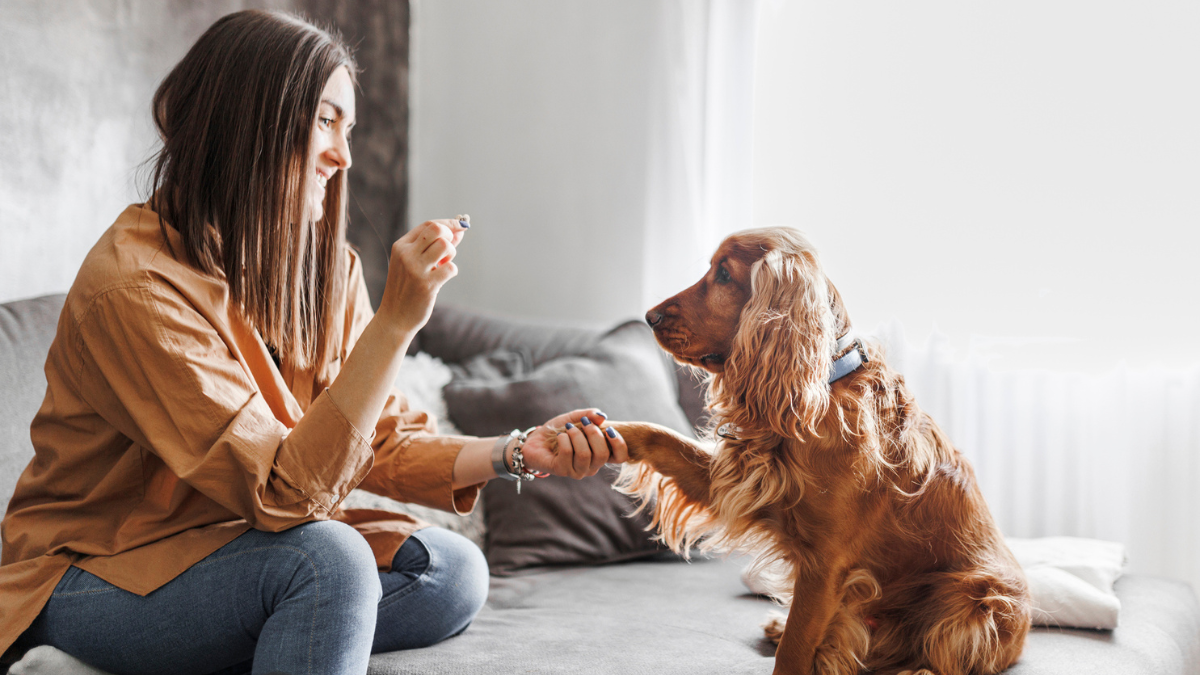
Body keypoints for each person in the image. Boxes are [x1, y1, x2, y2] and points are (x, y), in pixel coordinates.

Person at [0, 10, 627, 675]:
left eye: (348, 128)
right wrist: (395, 323)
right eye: (326, 121)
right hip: (93, 574)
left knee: (451, 570)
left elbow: (375, 438)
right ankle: (75, 652)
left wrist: (518, 451)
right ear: (249, 121)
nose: (344, 155)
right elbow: (284, 492)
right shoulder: (132, 286)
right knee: (329, 561)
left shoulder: (325, 271)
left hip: (234, 551)